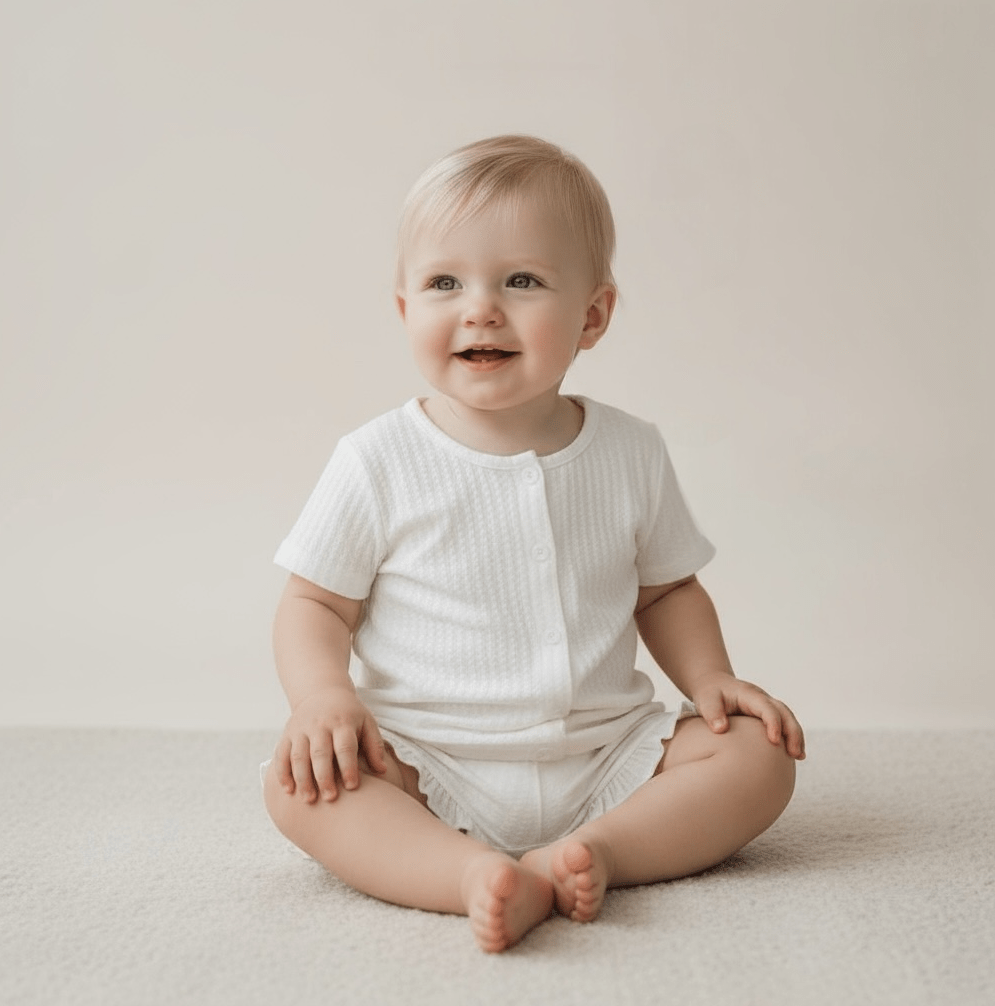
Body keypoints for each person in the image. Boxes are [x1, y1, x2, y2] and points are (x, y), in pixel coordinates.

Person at [263, 135, 805, 953]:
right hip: (428, 759)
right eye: (445, 283)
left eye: (521, 281)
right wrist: (321, 699)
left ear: (593, 316)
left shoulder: (629, 450)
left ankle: (598, 851)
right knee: (299, 786)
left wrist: (711, 679)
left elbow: (666, 590)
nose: (480, 308)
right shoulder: (378, 459)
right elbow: (315, 604)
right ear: (406, 311)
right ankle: (466, 874)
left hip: (606, 751)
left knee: (760, 756)